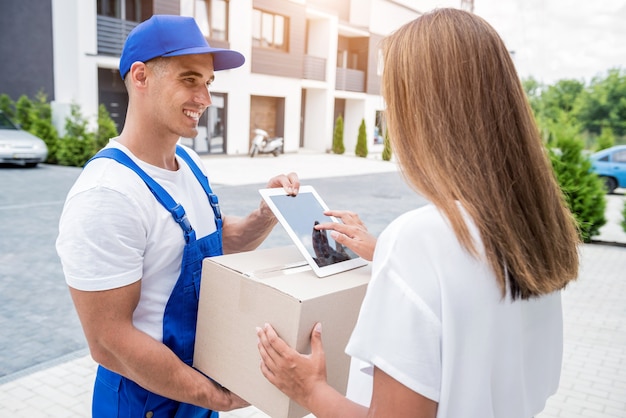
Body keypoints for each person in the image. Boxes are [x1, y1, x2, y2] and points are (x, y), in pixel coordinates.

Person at [256, 8, 580, 418]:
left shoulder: (421, 240)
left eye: (392, 102)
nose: (390, 119)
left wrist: (308, 389)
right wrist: (387, 256)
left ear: (423, 115)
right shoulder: (535, 227)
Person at [56, 15, 299, 417]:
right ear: (140, 76)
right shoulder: (108, 194)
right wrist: (217, 396)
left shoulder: (187, 162)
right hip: (145, 402)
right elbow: (109, 341)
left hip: (194, 390)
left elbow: (218, 245)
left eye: (208, 83)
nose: (204, 98)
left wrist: (265, 215)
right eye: (189, 79)